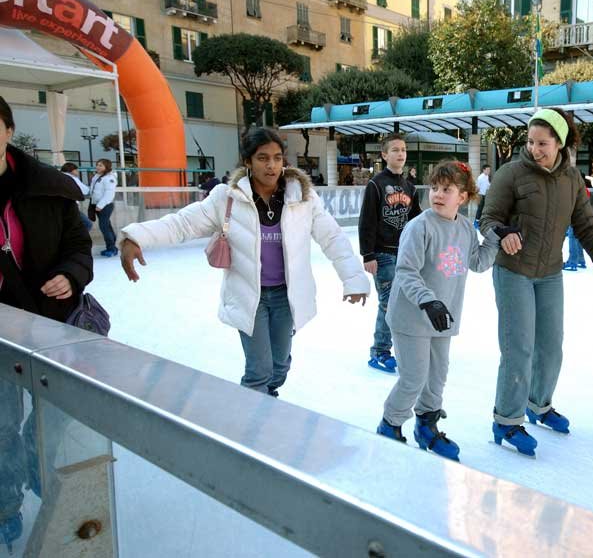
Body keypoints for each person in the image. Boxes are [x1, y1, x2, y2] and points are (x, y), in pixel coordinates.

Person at [120, 127, 369, 395]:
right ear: (248, 161)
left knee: (279, 366)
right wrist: (136, 237)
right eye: (262, 158)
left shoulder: (303, 198)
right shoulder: (226, 198)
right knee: (259, 370)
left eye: (277, 157)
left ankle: (266, 398)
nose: (271, 165)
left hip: (288, 296)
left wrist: (353, 278)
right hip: (249, 297)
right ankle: (252, 419)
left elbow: (332, 237)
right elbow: (183, 224)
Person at [480, 107, 593, 456]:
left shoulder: (571, 180)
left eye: (542, 143)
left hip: (550, 273)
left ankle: (538, 404)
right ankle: (507, 420)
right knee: (519, 348)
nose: (535, 149)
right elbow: (488, 218)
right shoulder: (511, 174)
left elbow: (586, 225)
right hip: (513, 270)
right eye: (530, 142)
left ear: (559, 143)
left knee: (551, 345)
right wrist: (504, 233)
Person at [0, 96, 93, 552]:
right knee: (0, 424)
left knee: (52, 411)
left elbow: (79, 246)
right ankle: (5, 505)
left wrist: (70, 276)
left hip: (46, 324)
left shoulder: (48, 187)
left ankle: (39, 465)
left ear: (8, 131)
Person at [377, 161, 507, 461]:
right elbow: (406, 271)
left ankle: (426, 425)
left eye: (446, 189)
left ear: (462, 196)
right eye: (434, 187)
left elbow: (476, 262)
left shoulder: (463, 227)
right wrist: (428, 301)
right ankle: (390, 425)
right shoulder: (418, 227)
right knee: (414, 377)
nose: (437, 193)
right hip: (412, 316)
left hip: (442, 318)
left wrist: (496, 238)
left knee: (437, 376)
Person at [358, 133, 422, 373]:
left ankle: (399, 347)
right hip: (382, 253)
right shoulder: (376, 184)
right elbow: (367, 221)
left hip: (404, 253)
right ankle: (380, 351)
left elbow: (417, 220)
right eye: (394, 150)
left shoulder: (409, 187)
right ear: (384, 155)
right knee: (388, 303)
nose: (400, 154)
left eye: (403, 150)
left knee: (403, 302)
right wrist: (368, 254)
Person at [90, 158, 118, 257]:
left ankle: (111, 248)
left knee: (104, 227)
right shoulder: (97, 176)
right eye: (97, 165)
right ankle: (112, 247)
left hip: (105, 206)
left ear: (106, 167)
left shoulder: (109, 178)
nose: (98, 167)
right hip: (97, 205)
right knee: (107, 226)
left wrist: (100, 205)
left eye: (100, 165)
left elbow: (109, 194)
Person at [563, 173, 591, 271]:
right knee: (578, 238)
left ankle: (572, 261)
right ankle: (580, 260)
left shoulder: (574, 189)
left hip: (575, 218)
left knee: (572, 238)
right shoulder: (585, 189)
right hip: (582, 218)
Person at [60, 162, 93, 232]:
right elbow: (85, 190)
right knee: (87, 224)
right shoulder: (72, 178)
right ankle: (79, 240)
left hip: (59, 206)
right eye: (76, 170)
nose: (77, 172)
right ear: (72, 170)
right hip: (70, 205)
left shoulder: (58, 176)